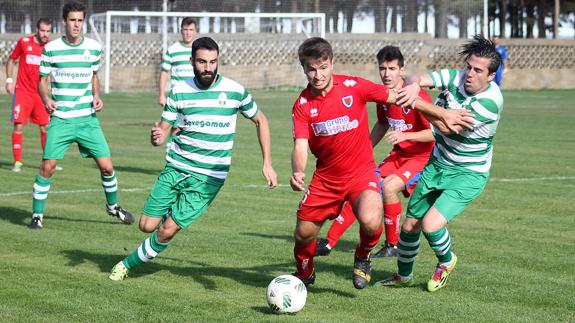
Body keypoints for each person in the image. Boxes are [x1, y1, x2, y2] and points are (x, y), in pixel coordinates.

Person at [108, 37, 278, 281]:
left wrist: (267, 163)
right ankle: (169, 219)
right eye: (202, 62)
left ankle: (126, 265)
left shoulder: (234, 91)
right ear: (191, 62)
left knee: (166, 231)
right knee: (146, 225)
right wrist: (157, 136)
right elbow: (163, 130)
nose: (208, 67)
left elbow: (261, 120)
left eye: (212, 62)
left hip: (208, 178)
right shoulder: (179, 92)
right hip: (176, 167)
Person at [379, 35, 503, 292]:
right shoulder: (458, 76)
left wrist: (418, 103)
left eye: (478, 70)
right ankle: (404, 276)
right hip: (438, 164)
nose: (469, 73)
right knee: (410, 224)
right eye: (468, 66)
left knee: (430, 224)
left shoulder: (490, 103)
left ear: (491, 76)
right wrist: (413, 86)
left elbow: (449, 128)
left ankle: (447, 261)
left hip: (467, 174)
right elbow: (418, 78)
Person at [315, 46, 435, 259]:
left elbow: (435, 133)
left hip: (421, 158)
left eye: (392, 68)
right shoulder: (385, 97)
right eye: (382, 69)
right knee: (364, 187)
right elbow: (381, 124)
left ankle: (392, 245)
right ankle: (328, 243)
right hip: (399, 155)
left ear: (402, 70)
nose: (386, 74)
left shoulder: (417, 96)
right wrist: (363, 149)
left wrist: (406, 136)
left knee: (388, 188)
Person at [31, 1, 134, 229]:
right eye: (72, 20)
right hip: (61, 119)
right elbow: (42, 80)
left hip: (87, 120)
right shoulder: (52, 49)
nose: (76, 25)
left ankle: (113, 207)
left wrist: (97, 95)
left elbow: (94, 75)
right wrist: (47, 99)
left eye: (80, 20)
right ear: (64, 22)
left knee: (107, 167)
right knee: (48, 166)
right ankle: (37, 216)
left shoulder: (94, 48)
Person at [5, 18, 52, 173]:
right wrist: (9, 80)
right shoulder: (24, 42)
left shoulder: (51, 47)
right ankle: (17, 162)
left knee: (45, 127)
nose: (45, 34)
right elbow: (11, 60)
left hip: (41, 94)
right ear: (37, 30)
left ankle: (47, 162)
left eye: (48, 31)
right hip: (23, 92)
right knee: (18, 125)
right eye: (42, 30)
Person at [158, 17, 198, 107]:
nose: (188, 33)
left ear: (195, 32)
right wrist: (161, 95)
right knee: (173, 121)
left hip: (196, 94)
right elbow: (164, 73)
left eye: (191, 30)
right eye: (185, 29)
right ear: (181, 31)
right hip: (178, 95)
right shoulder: (172, 50)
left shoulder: (200, 50)